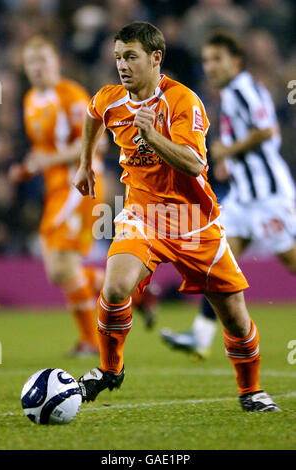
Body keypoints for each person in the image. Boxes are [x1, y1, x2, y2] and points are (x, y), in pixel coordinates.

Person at [74, 21, 280, 412]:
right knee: (115, 288)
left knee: (235, 319)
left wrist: (152, 137)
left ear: (155, 58)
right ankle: (109, 370)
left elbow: (194, 162)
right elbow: (92, 114)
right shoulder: (110, 99)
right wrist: (85, 163)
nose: (122, 65)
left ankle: (250, 391)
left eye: (130, 56)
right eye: (118, 57)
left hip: (195, 224)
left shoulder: (183, 102)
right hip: (143, 216)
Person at [161, 31, 296, 359]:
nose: (210, 67)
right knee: (218, 262)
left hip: (268, 196)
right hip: (243, 197)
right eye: (206, 60)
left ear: (235, 61)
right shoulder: (233, 92)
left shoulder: (243, 89)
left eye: (217, 59)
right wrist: (229, 162)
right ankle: (200, 337)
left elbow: (267, 131)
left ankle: (201, 336)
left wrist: (226, 150)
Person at [9, 36, 107, 357]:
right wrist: (27, 168)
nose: (38, 68)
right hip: (56, 189)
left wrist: (49, 161)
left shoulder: (72, 95)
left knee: (63, 266)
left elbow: (98, 144)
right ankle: (128, 291)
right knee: (57, 271)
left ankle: (90, 343)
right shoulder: (29, 100)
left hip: (80, 186)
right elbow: (44, 149)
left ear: (56, 62)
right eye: (32, 62)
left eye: (43, 60)